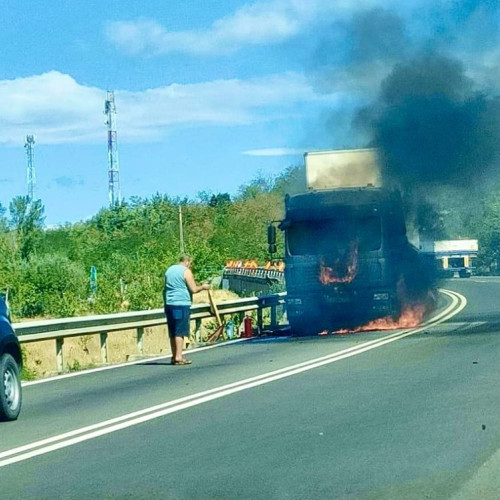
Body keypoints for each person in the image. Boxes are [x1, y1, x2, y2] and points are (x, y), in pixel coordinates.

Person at [164, 255, 210, 365]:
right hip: (181, 303)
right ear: (187, 262)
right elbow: (193, 289)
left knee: (173, 330)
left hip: (169, 303)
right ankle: (179, 357)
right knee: (180, 330)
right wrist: (203, 287)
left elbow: (164, 287)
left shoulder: (169, 270)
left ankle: (174, 355)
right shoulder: (186, 271)